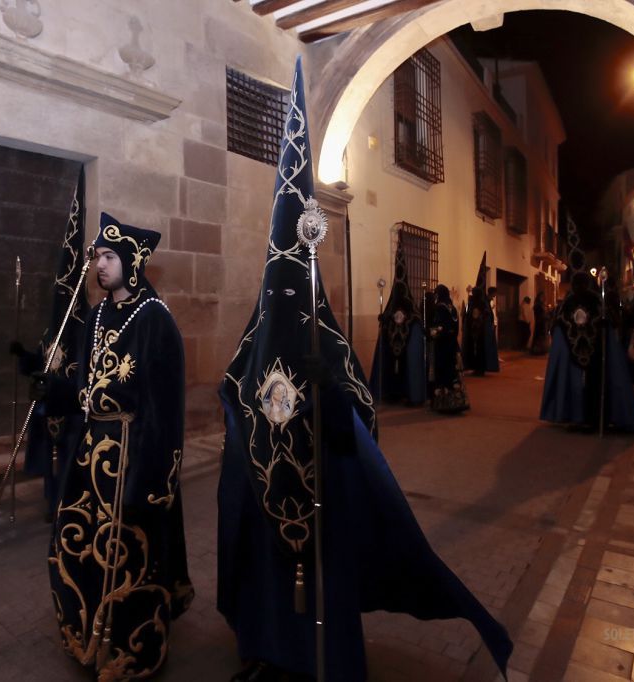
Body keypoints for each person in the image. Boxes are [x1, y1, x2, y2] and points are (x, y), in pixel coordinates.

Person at [218, 57, 512, 682]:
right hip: (266, 493)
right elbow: (232, 395)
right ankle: (267, 651)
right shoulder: (254, 338)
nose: (286, 296)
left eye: (296, 286)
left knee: (318, 587)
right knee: (268, 582)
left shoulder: (331, 342)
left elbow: (362, 419)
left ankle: (323, 662)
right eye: (278, 285)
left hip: (316, 497)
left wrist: (333, 393)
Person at [44, 214, 193, 680]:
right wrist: (53, 388)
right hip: (90, 455)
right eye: (97, 257)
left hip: (133, 456)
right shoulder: (96, 315)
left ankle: (131, 648)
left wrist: (148, 480)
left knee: (130, 555)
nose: (99, 266)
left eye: (109, 257)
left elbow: (166, 411)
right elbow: (85, 383)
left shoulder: (155, 320)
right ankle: (85, 633)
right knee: (80, 547)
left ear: (131, 262)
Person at [9, 173, 89, 521]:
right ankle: (52, 504)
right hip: (49, 414)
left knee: (71, 465)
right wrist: (24, 357)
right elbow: (42, 361)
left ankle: (68, 508)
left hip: (71, 415)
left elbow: (82, 375)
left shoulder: (84, 331)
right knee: (52, 467)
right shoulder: (52, 331)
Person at [540, 271, 634, 432]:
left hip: (575, 356)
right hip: (597, 354)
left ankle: (577, 416)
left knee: (577, 384)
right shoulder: (596, 301)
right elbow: (612, 323)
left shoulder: (569, 303)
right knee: (596, 383)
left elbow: (557, 328)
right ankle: (595, 417)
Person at [369, 252, 426, 406]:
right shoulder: (392, 309)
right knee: (391, 367)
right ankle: (391, 392)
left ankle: (405, 393)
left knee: (404, 367)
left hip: (404, 346)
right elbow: (387, 318)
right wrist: (384, 318)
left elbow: (414, 319)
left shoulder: (411, 314)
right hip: (393, 345)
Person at [428, 284, 469, 413]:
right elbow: (455, 328)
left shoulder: (440, 308)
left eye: (436, 293)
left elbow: (439, 327)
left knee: (443, 371)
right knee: (453, 372)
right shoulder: (453, 308)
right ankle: (458, 401)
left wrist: (430, 333)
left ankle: (444, 404)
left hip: (442, 345)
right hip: (453, 344)